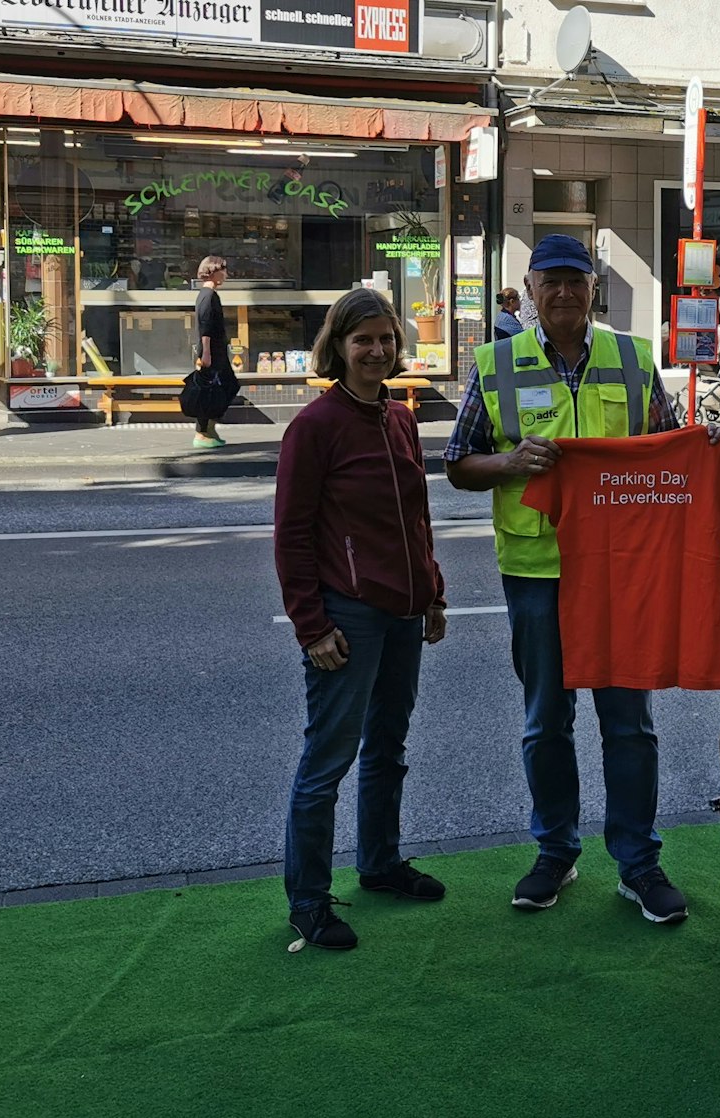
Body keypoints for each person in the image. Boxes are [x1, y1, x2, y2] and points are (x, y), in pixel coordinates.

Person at [442, 233, 693, 925]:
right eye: (548, 281)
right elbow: (459, 461)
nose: (561, 293)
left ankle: (638, 862)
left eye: (573, 281)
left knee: (630, 723)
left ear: (592, 291)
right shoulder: (495, 364)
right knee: (545, 722)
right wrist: (509, 463)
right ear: (529, 290)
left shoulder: (634, 359)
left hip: (619, 574)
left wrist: (698, 454)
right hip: (535, 570)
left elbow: (664, 454)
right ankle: (556, 849)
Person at [273, 287, 450, 952]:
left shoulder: (399, 418)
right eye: (363, 340)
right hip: (349, 615)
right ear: (339, 347)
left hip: (404, 612)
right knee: (328, 760)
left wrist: (432, 592)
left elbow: (416, 518)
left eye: (385, 339)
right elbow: (291, 535)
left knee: (388, 749)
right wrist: (311, 625)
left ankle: (379, 863)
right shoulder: (315, 427)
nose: (376, 351)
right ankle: (308, 902)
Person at [191, 256, 240, 449]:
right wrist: (207, 354)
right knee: (213, 390)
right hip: (212, 353)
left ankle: (209, 429)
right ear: (213, 271)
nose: (226, 275)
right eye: (223, 270)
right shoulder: (207, 296)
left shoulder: (209, 295)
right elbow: (205, 326)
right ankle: (202, 432)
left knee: (221, 388)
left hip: (216, 351)